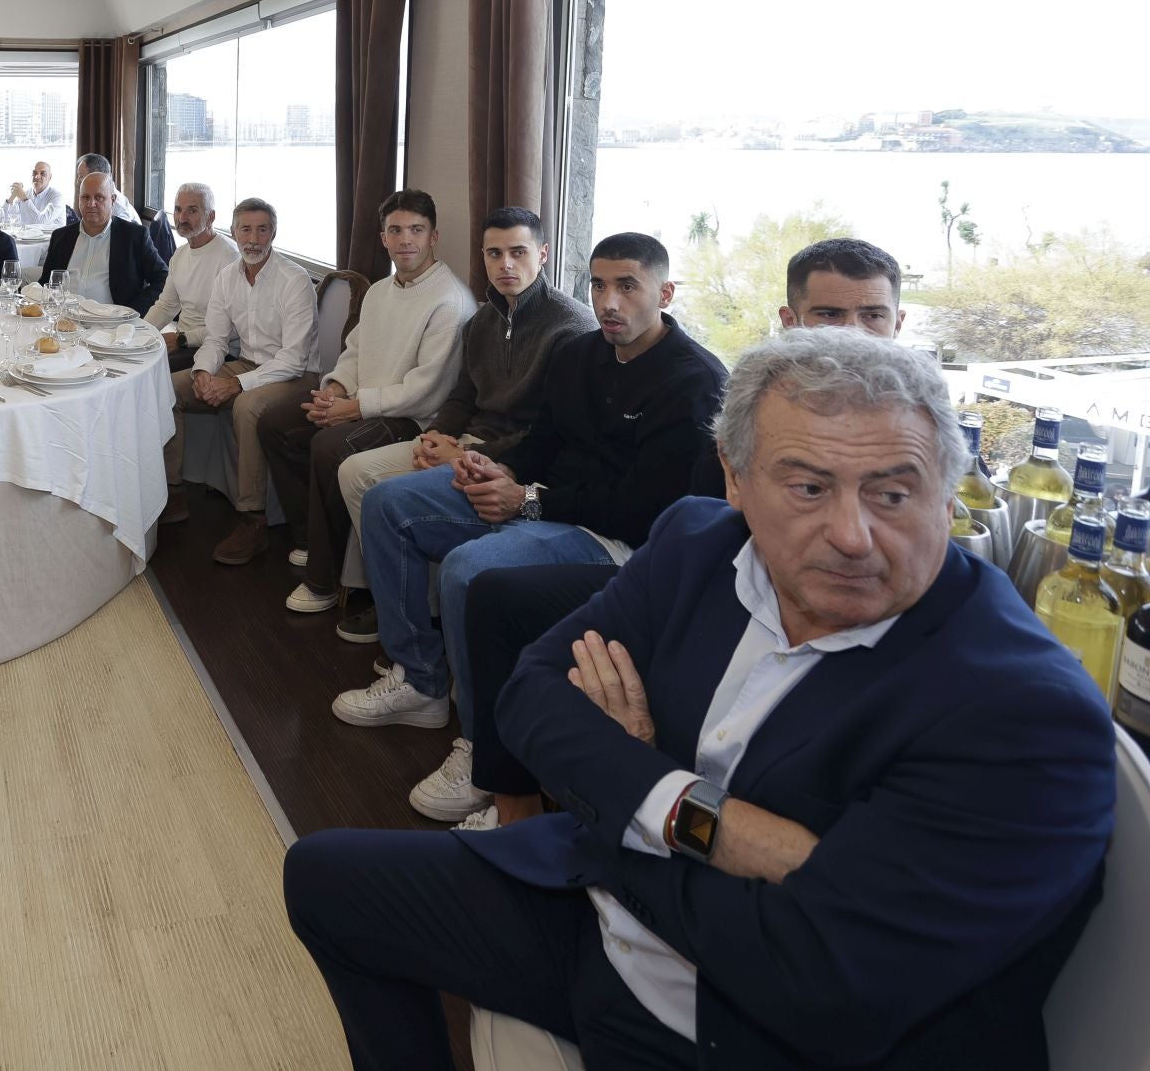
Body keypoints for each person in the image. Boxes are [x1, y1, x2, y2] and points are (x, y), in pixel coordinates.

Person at [285, 327, 1116, 1069]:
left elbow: (823, 985)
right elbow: (533, 693)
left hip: (744, 1031)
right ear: (735, 478)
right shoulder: (699, 542)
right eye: (808, 487)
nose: (853, 535)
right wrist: (695, 815)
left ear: (946, 495)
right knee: (324, 879)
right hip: (595, 919)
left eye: (893, 494)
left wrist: (626, 804)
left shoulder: (1024, 715)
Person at [456, 236, 911, 831]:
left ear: (899, 323)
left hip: (780, 608)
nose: (851, 335)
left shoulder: (919, 434)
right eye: (828, 314)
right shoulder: (758, 406)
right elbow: (698, 513)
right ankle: (512, 803)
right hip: (708, 569)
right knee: (494, 595)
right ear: (790, 321)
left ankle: (621, 810)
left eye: (872, 316)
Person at [338, 233, 726, 819]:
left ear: (665, 293)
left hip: (612, 538)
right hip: (543, 498)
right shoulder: (581, 353)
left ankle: (485, 750)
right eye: (598, 285)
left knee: (470, 568)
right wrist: (501, 468)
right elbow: (545, 437)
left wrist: (527, 501)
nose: (609, 302)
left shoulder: (694, 381)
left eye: (628, 286)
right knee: (389, 503)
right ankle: (419, 681)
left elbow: (645, 509)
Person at [331, 207, 596, 644]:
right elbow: (463, 394)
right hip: (467, 440)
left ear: (543, 254)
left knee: (389, 493)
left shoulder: (571, 328)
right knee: (355, 472)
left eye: (518, 252)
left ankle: (417, 611)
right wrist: (435, 435)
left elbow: (549, 435)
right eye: (494, 254)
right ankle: (402, 596)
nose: (505, 264)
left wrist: (467, 454)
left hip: (516, 461)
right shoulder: (482, 321)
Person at [257, 189, 475, 610]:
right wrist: (335, 390)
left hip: (413, 418)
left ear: (434, 237)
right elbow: (355, 351)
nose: (405, 239)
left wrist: (353, 408)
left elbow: (425, 390)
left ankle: (323, 581)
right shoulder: (379, 291)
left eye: (416, 230)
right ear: (383, 238)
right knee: (275, 423)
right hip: (364, 401)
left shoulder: (450, 301)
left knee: (329, 446)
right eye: (396, 230)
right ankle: (310, 537)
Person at [162, 197, 318, 564]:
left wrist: (234, 385)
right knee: (169, 389)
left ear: (274, 233)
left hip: (296, 375)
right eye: (245, 229)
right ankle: (174, 491)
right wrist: (203, 372)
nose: (253, 238)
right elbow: (216, 340)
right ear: (232, 232)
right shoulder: (227, 277)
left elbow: (294, 359)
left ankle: (253, 519)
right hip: (247, 365)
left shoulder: (294, 280)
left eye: (262, 230)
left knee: (247, 406)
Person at [143, 182, 238, 373]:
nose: (182, 218)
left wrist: (182, 339)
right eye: (178, 209)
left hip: (218, 349)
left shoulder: (230, 257)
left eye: (192, 211)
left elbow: (232, 326)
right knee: (132, 357)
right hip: (183, 341)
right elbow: (165, 306)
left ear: (211, 217)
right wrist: (139, 333)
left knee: (148, 370)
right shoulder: (180, 254)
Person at [41, 172, 169, 313]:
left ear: (112, 200)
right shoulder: (61, 237)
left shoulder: (134, 237)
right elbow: (46, 283)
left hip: (111, 321)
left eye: (99, 197)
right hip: (64, 317)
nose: (91, 204)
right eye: (85, 197)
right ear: (79, 199)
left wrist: (133, 311)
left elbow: (163, 279)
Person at [6, 160, 64, 229]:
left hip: (51, 236)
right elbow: (4, 218)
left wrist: (25, 199)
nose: (37, 176)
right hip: (24, 235)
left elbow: (41, 222)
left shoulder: (57, 197)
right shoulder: (24, 194)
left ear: (50, 177)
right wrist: (12, 197)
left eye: (43, 173)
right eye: (34, 173)